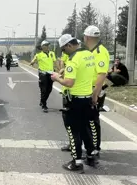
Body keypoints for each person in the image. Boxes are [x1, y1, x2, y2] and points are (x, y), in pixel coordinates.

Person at [51, 34, 97, 172]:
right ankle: (90, 155)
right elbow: (84, 71)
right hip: (87, 97)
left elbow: (69, 82)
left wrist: (57, 78)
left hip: (74, 100)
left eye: (64, 49)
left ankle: (76, 161)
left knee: (73, 130)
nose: (63, 53)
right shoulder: (88, 54)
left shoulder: (73, 59)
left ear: (69, 45)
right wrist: (67, 70)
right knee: (85, 128)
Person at [83, 25, 110, 156]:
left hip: (94, 90)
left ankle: (95, 147)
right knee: (86, 120)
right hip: (87, 90)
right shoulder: (91, 52)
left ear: (87, 37)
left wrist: (95, 95)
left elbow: (101, 74)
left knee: (93, 120)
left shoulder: (100, 51)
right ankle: (89, 146)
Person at [30, 40, 58, 113]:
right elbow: (33, 61)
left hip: (51, 74)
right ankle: (44, 105)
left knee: (49, 90)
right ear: (42, 47)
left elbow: (55, 62)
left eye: (48, 45)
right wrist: (32, 62)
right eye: (46, 45)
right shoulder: (38, 55)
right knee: (44, 90)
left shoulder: (52, 54)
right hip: (43, 74)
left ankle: (42, 101)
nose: (48, 46)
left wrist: (59, 70)